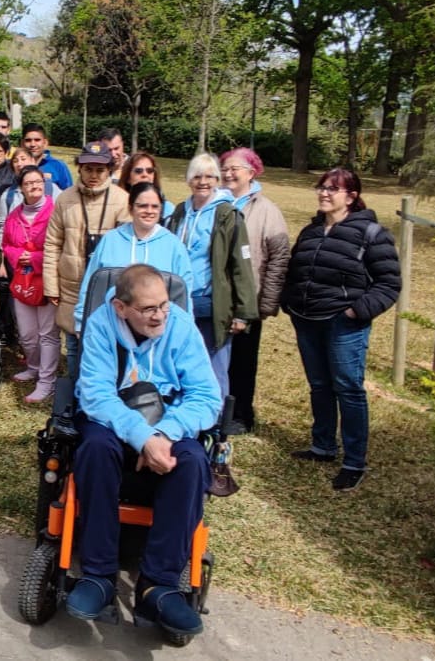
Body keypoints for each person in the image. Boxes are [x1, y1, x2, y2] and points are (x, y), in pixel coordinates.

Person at [65, 264, 220, 641]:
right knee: (95, 448)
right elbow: (96, 394)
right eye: (149, 309)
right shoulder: (103, 325)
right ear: (121, 307)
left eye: (164, 306)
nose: (160, 316)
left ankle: (158, 585)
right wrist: (140, 437)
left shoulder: (180, 326)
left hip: (169, 421)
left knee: (193, 461)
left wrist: (163, 434)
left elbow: (206, 397)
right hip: (116, 418)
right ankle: (98, 575)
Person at [281, 167, 400, 492]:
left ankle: (354, 461)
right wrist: (288, 302)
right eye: (322, 187)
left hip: (343, 323)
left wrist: (355, 311)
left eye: (333, 189)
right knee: (319, 385)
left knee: (348, 387)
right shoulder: (311, 231)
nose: (324, 193)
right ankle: (322, 446)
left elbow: (389, 284)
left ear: (351, 196)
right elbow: (296, 271)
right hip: (306, 319)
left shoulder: (371, 233)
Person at [165, 153, 258, 400]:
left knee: (213, 367)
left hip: (213, 303)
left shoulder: (227, 214)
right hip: (181, 302)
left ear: (217, 179)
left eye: (209, 176)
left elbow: (241, 264)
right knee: (181, 365)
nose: (202, 182)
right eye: (197, 176)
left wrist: (243, 313)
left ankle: (216, 428)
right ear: (188, 180)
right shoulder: (179, 212)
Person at [42, 141, 130, 375]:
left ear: (109, 170)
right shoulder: (65, 199)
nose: (93, 175)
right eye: (88, 169)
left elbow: (127, 248)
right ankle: (73, 395)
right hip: (71, 285)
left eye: (100, 170)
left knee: (105, 346)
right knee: (72, 343)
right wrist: (51, 285)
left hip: (108, 288)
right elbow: (53, 243)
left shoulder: (122, 199)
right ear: (79, 168)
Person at [221, 147, 290, 433]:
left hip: (247, 302)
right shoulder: (216, 203)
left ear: (252, 172)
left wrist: (264, 305)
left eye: (235, 168)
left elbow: (279, 258)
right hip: (215, 300)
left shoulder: (266, 210)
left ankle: (241, 415)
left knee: (242, 363)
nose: (228, 173)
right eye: (224, 167)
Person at [79, 183, 193, 331]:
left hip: (158, 331)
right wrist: (81, 320)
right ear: (131, 208)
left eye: (155, 206)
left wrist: (186, 328)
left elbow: (185, 294)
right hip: (112, 328)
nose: (149, 211)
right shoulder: (110, 240)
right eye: (142, 206)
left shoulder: (174, 245)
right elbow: (91, 283)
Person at [1, 166, 59, 402]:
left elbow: (60, 246)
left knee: (48, 334)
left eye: (38, 182)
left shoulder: (55, 212)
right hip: (22, 279)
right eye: (28, 183)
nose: (34, 186)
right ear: (21, 188)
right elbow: (6, 243)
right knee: (27, 334)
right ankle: (33, 367)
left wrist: (35, 258)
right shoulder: (14, 215)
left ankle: (47, 381)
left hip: (47, 279)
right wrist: (17, 256)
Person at [118, 151, 174, 218]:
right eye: (138, 171)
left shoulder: (167, 208)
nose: (145, 174)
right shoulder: (117, 205)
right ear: (127, 178)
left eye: (150, 171)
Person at [20, 123, 73, 190]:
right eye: (28, 140)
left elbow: (68, 193)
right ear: (22, 143)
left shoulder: (58, 166)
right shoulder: (17, 166)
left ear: (45, 143)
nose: (32, 144)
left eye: (37, 140)